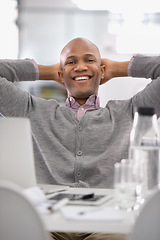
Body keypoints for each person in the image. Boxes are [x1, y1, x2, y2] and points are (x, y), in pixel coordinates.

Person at [0, 37, 160, 240]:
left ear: (102, 70)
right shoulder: (34, 110)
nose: (80, 67)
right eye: (70, 62)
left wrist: (120, 68)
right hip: (51, 224)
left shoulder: (128, 111)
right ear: (61, 72)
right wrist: (46, 71)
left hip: (107, 224)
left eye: (89, 60)